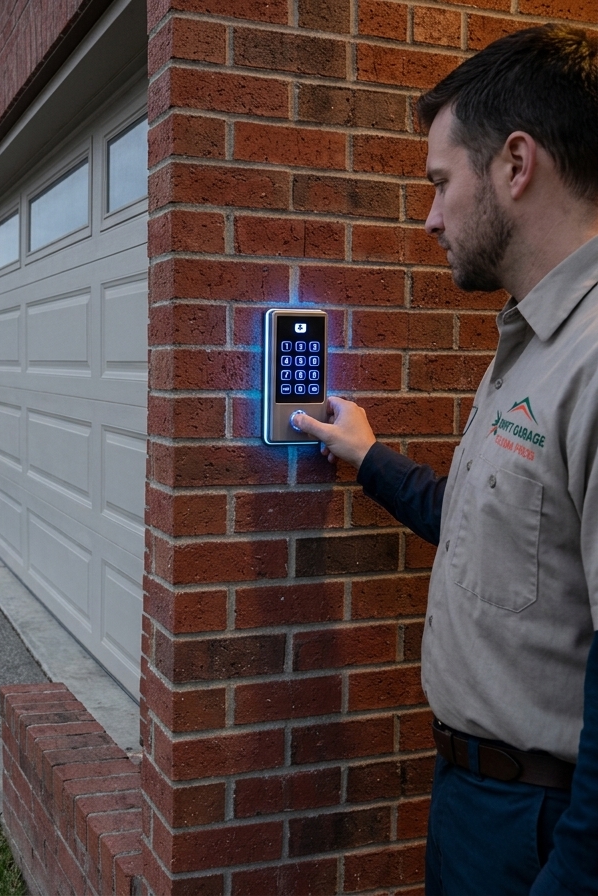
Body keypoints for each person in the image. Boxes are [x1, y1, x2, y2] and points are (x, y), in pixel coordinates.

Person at [294, 24, 598, 895]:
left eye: (438, 182)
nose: (428, 216)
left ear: (515, 164)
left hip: (546, 833)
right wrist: (368, 458)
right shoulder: (528, 344)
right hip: (475, 806)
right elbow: (491, 526)